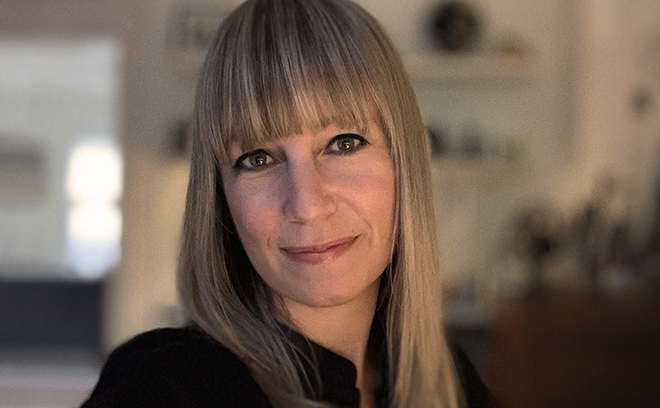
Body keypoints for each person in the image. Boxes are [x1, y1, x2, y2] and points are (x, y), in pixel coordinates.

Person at [82, 0, 494, 407]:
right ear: (220, 197)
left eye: (344, 143)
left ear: (403, 161)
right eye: (257, 159)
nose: (307, 205)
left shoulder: (452, 385)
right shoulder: (165, 388)